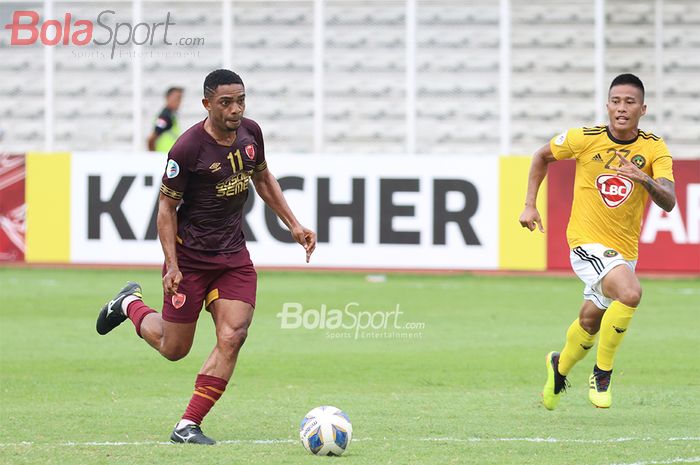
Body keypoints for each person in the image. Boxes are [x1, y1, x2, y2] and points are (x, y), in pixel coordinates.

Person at [97, 69, 317, 444]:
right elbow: (166, 209)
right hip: (190, 259)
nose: (236, 109)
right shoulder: (187, 148)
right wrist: (173, 264)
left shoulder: (251, 133)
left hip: (232, 256)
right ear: (207, 104)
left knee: (234, 335)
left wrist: (293, 225)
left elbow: (262, 178)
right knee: (173, 348)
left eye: (241, 100)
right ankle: (130, 304)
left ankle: (187, 425)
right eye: (226, 102)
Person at [519, 73, 676, 410]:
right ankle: (602, 373)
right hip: (585, 242)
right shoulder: (584, 138)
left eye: (630, 102)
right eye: (616, 101)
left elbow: (669, 201)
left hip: (625, 250)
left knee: (590, 322)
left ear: (643, 108)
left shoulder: (653, 147)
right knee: (631, 293)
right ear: (607, 105)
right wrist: (530, 204)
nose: (622, 108)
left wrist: (644, 178)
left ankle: (558, 367)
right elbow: (540, 156)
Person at [147, 86, 184, 152]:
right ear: (168, 98)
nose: (179, 102)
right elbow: (151, 139)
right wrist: (154, 156)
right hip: (163, 156)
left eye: (180, 98)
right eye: (177, 98)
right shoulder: (165, 116)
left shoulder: (171, 116)